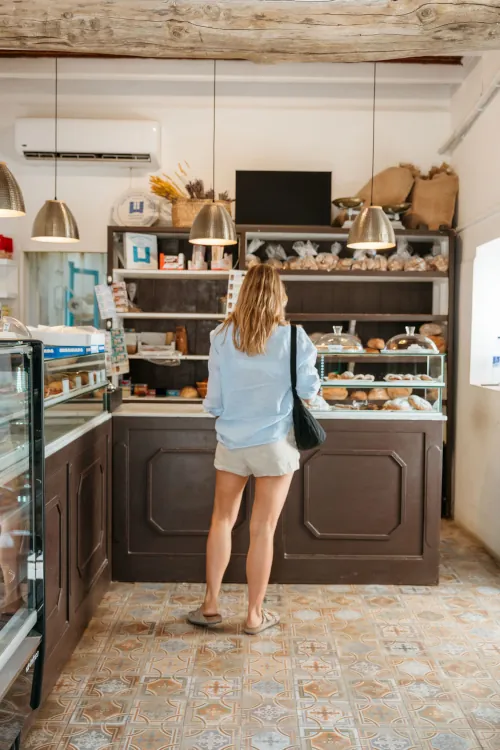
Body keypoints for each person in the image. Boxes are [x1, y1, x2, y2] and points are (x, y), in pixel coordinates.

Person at [187, 264, 320, 635]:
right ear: (281, 297)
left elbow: (212, 400)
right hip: (275, 444)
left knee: (222, 521)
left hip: (232, 443)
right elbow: (310, 391)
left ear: (241, 294)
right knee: (263, 528)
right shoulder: (294, 337)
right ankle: (254, 616)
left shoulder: (221, 336)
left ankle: (211, 606)